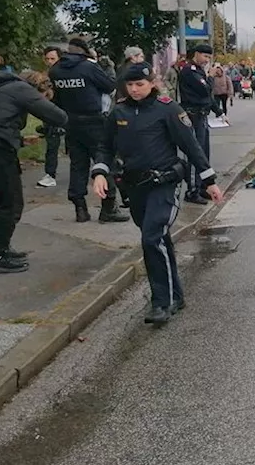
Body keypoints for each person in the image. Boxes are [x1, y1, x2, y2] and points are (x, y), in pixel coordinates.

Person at [92, 63, 222, 325]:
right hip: (136, 186)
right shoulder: (119, 111)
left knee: (152, 238)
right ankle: (176, 295)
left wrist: (209, 180)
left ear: (151, 82)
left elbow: (191, 145)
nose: (135, 89)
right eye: (129, 85)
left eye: (139, 84)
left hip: (165, 183)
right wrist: (99, 173)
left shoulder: (167, 109)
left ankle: (161, 302)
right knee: (157, 239)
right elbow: (104, 146)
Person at [0, 69, 68, 272]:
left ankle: (0, 249)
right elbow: (58, 116)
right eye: (45, 96)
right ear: (39, 88)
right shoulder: (21, 89)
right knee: (11, 204)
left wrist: (19, 140)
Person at [49, 38, 128, 223]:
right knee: (104, 162)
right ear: (84, 52)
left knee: (78, 165)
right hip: (94, 122)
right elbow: (109, 86)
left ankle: (80, 209)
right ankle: (108, 208)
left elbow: (56, 99)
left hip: (71, 122)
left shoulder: (55, 70)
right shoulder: (88, 67)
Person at [177, 44, 217, 204]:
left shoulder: (199, 71)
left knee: (204, 153)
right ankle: (192, 190)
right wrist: (211, 76)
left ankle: (202, 186)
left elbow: (207, 97)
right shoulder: (189, 70)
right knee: (195, 153)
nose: (207, 60)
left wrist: (218, 112)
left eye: (209, 57)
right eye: (205, 57)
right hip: (193, 116)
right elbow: (205, 90)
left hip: (202, 116)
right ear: (197, 54)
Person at [36, 45, 65, 188]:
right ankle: (50, 174)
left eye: (52, 58)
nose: (49, 61)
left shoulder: (65, 74)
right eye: (47, 59)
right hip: (50, 113)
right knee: (52, 145)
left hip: (65, 112)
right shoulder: (46, 75)